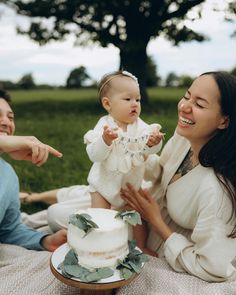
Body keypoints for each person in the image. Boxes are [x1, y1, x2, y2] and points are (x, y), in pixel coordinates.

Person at [22, 71, 164, 255]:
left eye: (138, 99)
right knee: (100, 218)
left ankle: (141, 246)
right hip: (103, 187)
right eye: (128, 99)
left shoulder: (142, 126)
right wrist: (105, 141)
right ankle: (98, 246)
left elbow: (148, 151)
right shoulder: (104, 126)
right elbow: (94, 155)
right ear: (108, 104)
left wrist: (154, 142)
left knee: (138, 218)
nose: (135, 104)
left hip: (130, 189)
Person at [118, 71, 236, 284]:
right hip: (144, 214)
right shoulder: (186, 138)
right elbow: (159, 170)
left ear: (223, 121)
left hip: (167, 240)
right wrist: (138, 150)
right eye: (187, 95)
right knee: (63, 213)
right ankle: (36, 197)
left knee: (76, 226)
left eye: (199, 104)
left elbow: (212, 267)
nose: (184, 107)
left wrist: (155, 219)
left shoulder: (216, 190)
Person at [0, 90, 67, 251]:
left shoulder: (8, 175)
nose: (6, 122)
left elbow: (8, 230)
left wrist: (45, 240)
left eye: (10, 117)